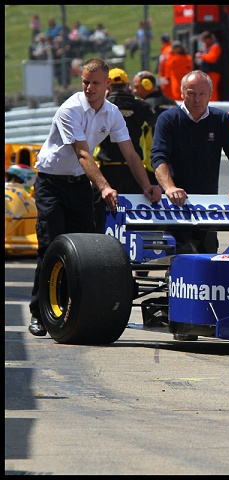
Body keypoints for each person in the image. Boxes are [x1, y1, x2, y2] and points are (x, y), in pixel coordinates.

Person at [27, 58, 162, 337]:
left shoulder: (112, 113)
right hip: (51, 183)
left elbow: (131, 154)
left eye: (95, 83)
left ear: (107, 85)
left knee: (81, 250)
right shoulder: (71, 109)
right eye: (86, 82)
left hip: (78, 185)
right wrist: (103, 187)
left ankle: (73, 308)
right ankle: (39, 312)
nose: (89, 88)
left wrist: (147, 185)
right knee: (51, 246)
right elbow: (83, 154)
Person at [150, 70, 229, 255]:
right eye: (191, 93)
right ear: (182, 93)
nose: (197, 99)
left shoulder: (220, 119)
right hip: (175, 205)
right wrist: (170, 188)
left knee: (208, 255)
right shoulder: (168, 119)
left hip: (208, 204)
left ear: (210, 95)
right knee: (176, 258)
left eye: (202, 94)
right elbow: (158, 157)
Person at [93, 68, 156, 233]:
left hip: (108, 168)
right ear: (127, 86)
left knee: (103, 212)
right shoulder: (142, 106)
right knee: (133, 213)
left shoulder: (101, 106)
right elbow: (150, 132)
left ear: (108, 87)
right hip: (133, 168)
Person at [132, 70, 178, 180]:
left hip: (152, 162)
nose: (134, 90)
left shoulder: (144, 106)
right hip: (175, 159)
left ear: (146, 85)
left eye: (137, 87)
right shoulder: (173, 103)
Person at [195, 31, 222, 102]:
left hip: (213, 72)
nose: (203, 42)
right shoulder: (207, 47)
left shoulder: (215, 46)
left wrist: (201, 55)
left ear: (208, 39)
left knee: (211, 91)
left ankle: (214, 105)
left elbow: (212, 58)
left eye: (204, 40)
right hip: (206, 73)